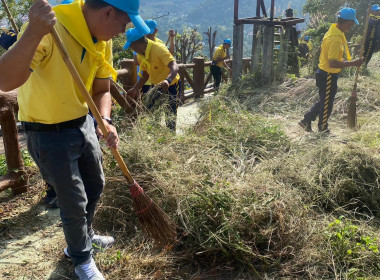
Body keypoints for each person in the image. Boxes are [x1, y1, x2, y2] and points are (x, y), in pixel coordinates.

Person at [0, 0, 149, 279]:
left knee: (95, 185)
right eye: (124, 24)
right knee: (73, 199)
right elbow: (5, 81)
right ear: (107, 13)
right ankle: (80, 259)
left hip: (84, 124)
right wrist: (32, 31)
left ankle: (85, 236)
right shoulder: (49, 27)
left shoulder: (100, 38)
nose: (122, 31)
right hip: (48, 132)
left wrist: (104, 120)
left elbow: (102, 88)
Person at [298, 8, 363, 134]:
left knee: (325, 100)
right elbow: (332, 63)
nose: (353, 25)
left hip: (325, 73)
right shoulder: (335, 38)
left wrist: (344, 61)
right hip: (328, 74)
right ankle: (323, 128)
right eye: (352, 22)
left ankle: (306, 120)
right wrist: (353, 63)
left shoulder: (335, 31)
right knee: (327, 103)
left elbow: (333, 57)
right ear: (346, 21)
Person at [125, 28, 180, 131]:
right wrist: (135, 88)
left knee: (170, 115)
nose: (131, 48)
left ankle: (171, 137)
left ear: (136, 44)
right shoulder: (141, 54)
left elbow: (175, 67)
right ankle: (155, 134)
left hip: (171, 84)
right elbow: (145, 74)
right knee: (150, 111)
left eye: (131, 45)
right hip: (156, 86)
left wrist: (167, 80)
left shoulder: (158, 49)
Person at [133, 19, 175, 94]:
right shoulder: (139, 49)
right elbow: (142, 68)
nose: (147, 35)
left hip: (166, 82)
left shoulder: (159, 45)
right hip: (147, 81)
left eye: (149, 32)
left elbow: (171, 59)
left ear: (155, 31)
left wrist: (168, 80)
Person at [285, 8, 301, 77]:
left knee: (286, 54)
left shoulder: (283, 22)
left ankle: (287, 69)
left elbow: (280, 32)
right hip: (294, 41)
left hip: (285, 42)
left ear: (286, 14)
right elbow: (299, 31)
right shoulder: (295, 22)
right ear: (292, 14)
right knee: (294, 53)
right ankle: (295, 68)